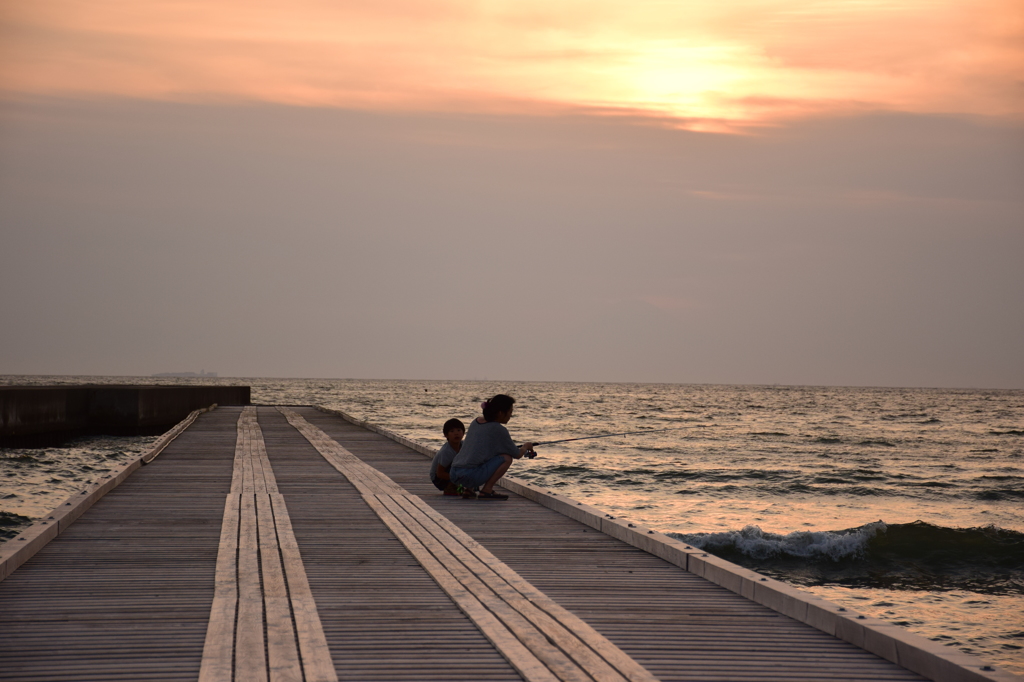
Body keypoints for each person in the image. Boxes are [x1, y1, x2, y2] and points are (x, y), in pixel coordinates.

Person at [449, 394, 534, 500]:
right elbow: (517, 454)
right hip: (470, 476)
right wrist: (526, 446)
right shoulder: (499, 429)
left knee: (481, 455)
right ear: (500, 413)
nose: (510, 416)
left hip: (454, 473)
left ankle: (469, 490)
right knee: (507, 458)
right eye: (510, 412)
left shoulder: (476, 422)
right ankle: (486, 490)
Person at [429, 418, 465, 496]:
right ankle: (450, 487)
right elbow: (439, 473)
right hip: (438, 479)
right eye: (452, 431)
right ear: (446, 435)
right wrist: (459, 479)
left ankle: (459, 486)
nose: (456, 433)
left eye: (459, 430)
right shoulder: (446, 451)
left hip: (452, 473)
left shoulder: (464, 446)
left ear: (463, 433)